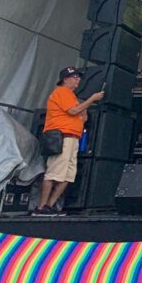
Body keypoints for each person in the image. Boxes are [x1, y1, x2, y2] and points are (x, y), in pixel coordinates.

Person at [34, 67, 104, 216]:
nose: (78, 80)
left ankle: (50, 205)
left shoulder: (72, 96)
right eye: (75, 77)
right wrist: (91, 100)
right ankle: (41, 206)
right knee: (54, 172)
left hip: (73, 138)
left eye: (79, 77)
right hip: (62, 137)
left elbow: (83, 117)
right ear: (65, 79)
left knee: (68, 175)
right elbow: (72, 111)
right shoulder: (61, 92)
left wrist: (83, 107)